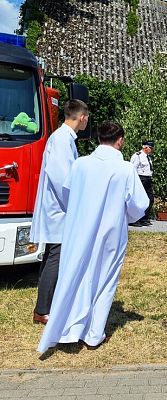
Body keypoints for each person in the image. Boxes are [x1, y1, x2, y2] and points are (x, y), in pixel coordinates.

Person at [37, 121, 149, 353]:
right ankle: (94, 333)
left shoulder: (80, 164)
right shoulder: (125, 168)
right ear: (120, 140)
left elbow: (67, 193)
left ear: (99, 139)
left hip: (80, 229)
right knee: (105, 280)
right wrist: (123, 215)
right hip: (110, 232)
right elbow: (139, 205)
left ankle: (67, 327)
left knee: (75, 274)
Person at [30, 99, 89, 325]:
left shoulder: (64, 138)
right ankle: (43, 309)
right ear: (81, 117)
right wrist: (76, 204)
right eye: (87, 117)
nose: (87, 121)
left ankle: (45, 306)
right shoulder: (62, 139)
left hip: (59, 208)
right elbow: (62, 178)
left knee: (52, 256)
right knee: (56, 256)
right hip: (60, 209)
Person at [130, 140, 154, 226]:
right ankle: (134, 220)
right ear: (145, 147)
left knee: (150, 199)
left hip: (147, 178)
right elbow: (133, 168)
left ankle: (144, 218)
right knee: (137, 200)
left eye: (152, 148)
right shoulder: (137, 156)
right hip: (140, 178)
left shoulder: (148, 157)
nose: (151, 149)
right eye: (150, 148)